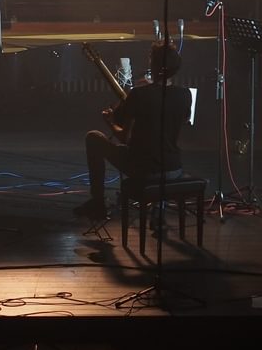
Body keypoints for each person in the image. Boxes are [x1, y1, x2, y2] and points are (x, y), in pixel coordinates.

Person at [75, 40, 192, 220]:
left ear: (152, 65)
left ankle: (97, 202)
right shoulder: (185, 94)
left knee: (93, 137)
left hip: (144, 170)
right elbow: (177, 121)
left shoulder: (139, 94)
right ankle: (158, 206)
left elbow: (124, 138)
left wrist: (109, 121)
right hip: (174, 168)